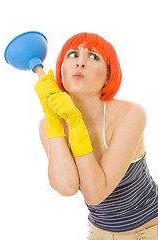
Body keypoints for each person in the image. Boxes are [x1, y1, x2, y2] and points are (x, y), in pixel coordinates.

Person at [34, 32, 158, 240]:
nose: (80, 62)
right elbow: (66, 186)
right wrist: (52, 118)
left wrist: (76, 123)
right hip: (98, 234)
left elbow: (95, 194)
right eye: (73, 55)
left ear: (109, 75)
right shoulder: (48, 125)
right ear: (61, 71)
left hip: (147, 233)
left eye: (93, 57)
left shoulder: (131, 114)